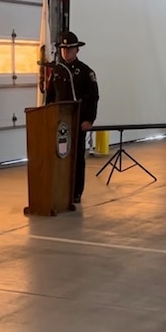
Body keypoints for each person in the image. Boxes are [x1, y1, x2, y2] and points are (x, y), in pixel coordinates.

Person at [45, 31, 100, 204]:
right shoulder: (57, 71)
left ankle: (76, 191)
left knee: (76, 158)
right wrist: (47, 116)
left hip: (77, 122)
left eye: (70, 49)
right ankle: (60, 189)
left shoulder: (85, 72)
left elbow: (94, 97)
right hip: (59, 123)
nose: (66, 52)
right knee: (59, 156)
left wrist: (89, 120)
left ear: (77, 50)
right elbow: (50, 97)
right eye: (63, 49)